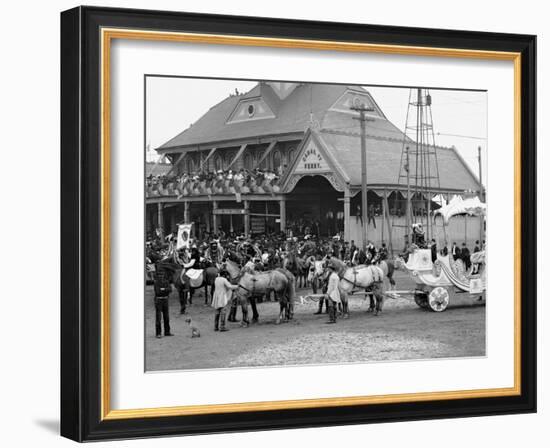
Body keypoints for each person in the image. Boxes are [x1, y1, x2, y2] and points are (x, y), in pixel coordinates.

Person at [152, 264, 174, 339]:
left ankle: (167, 332)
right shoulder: (156, 283)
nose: (161, 276)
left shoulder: (166, 281)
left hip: (165, 299)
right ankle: (158, 333)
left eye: (162, 275)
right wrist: (165, 290)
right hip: (159, 300)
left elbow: (170, 290)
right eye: (160, 275)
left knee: (166, 317)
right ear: (158, 275)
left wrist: (163, 289)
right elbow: (158, 292)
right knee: (158, 317)